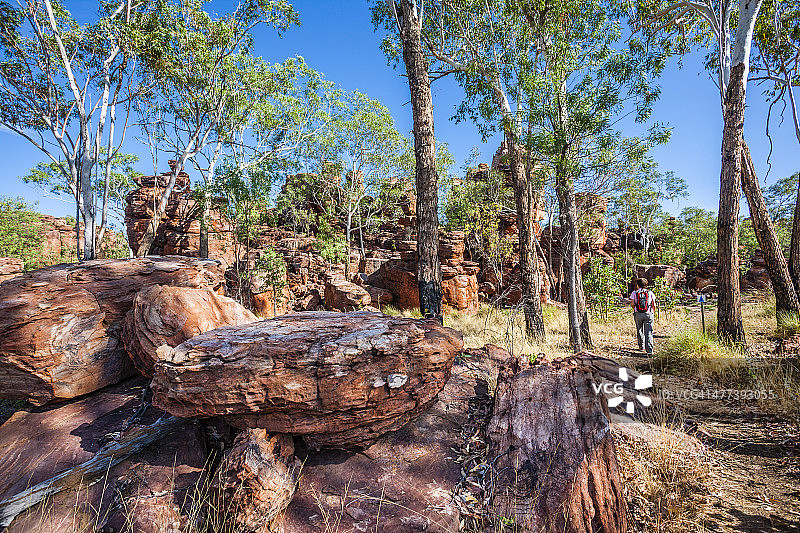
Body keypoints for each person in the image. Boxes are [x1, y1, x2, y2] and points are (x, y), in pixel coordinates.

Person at [630, 278, 656, 355]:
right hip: (648, 313)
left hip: (638, 313)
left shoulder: (634, 292)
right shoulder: (650, 292)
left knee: (639, 330)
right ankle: (649, 351)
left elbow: (632, 304)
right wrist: (652, 312)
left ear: (638, 285)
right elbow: (654, 304)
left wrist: (635, 310)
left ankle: (641, 347)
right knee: (649, 332)